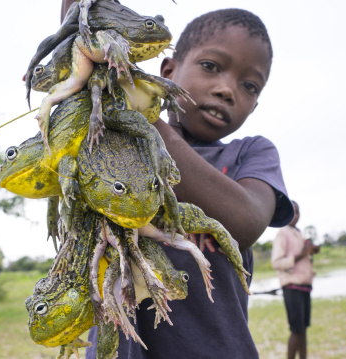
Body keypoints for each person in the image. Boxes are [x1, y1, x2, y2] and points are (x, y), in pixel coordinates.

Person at [60, 2, 294, 358]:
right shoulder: (112, 140)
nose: (227, 90)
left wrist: (141, 112)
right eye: (211, 66)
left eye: (249, 86)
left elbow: (245, 223)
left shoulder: (251, 153)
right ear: (168, 68)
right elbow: (80, 33)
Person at [271, 201, 320, 359]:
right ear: (285, 213)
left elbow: (305, 254)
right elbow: (276, 263)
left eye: (297, 212)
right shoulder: (283, 233)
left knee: (303, 329)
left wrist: (311, 251)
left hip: (305, 285)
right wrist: (300, 254)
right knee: (296, 329)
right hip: (292, 287)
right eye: (291, 212)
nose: (294, 216)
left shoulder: (298, 233)